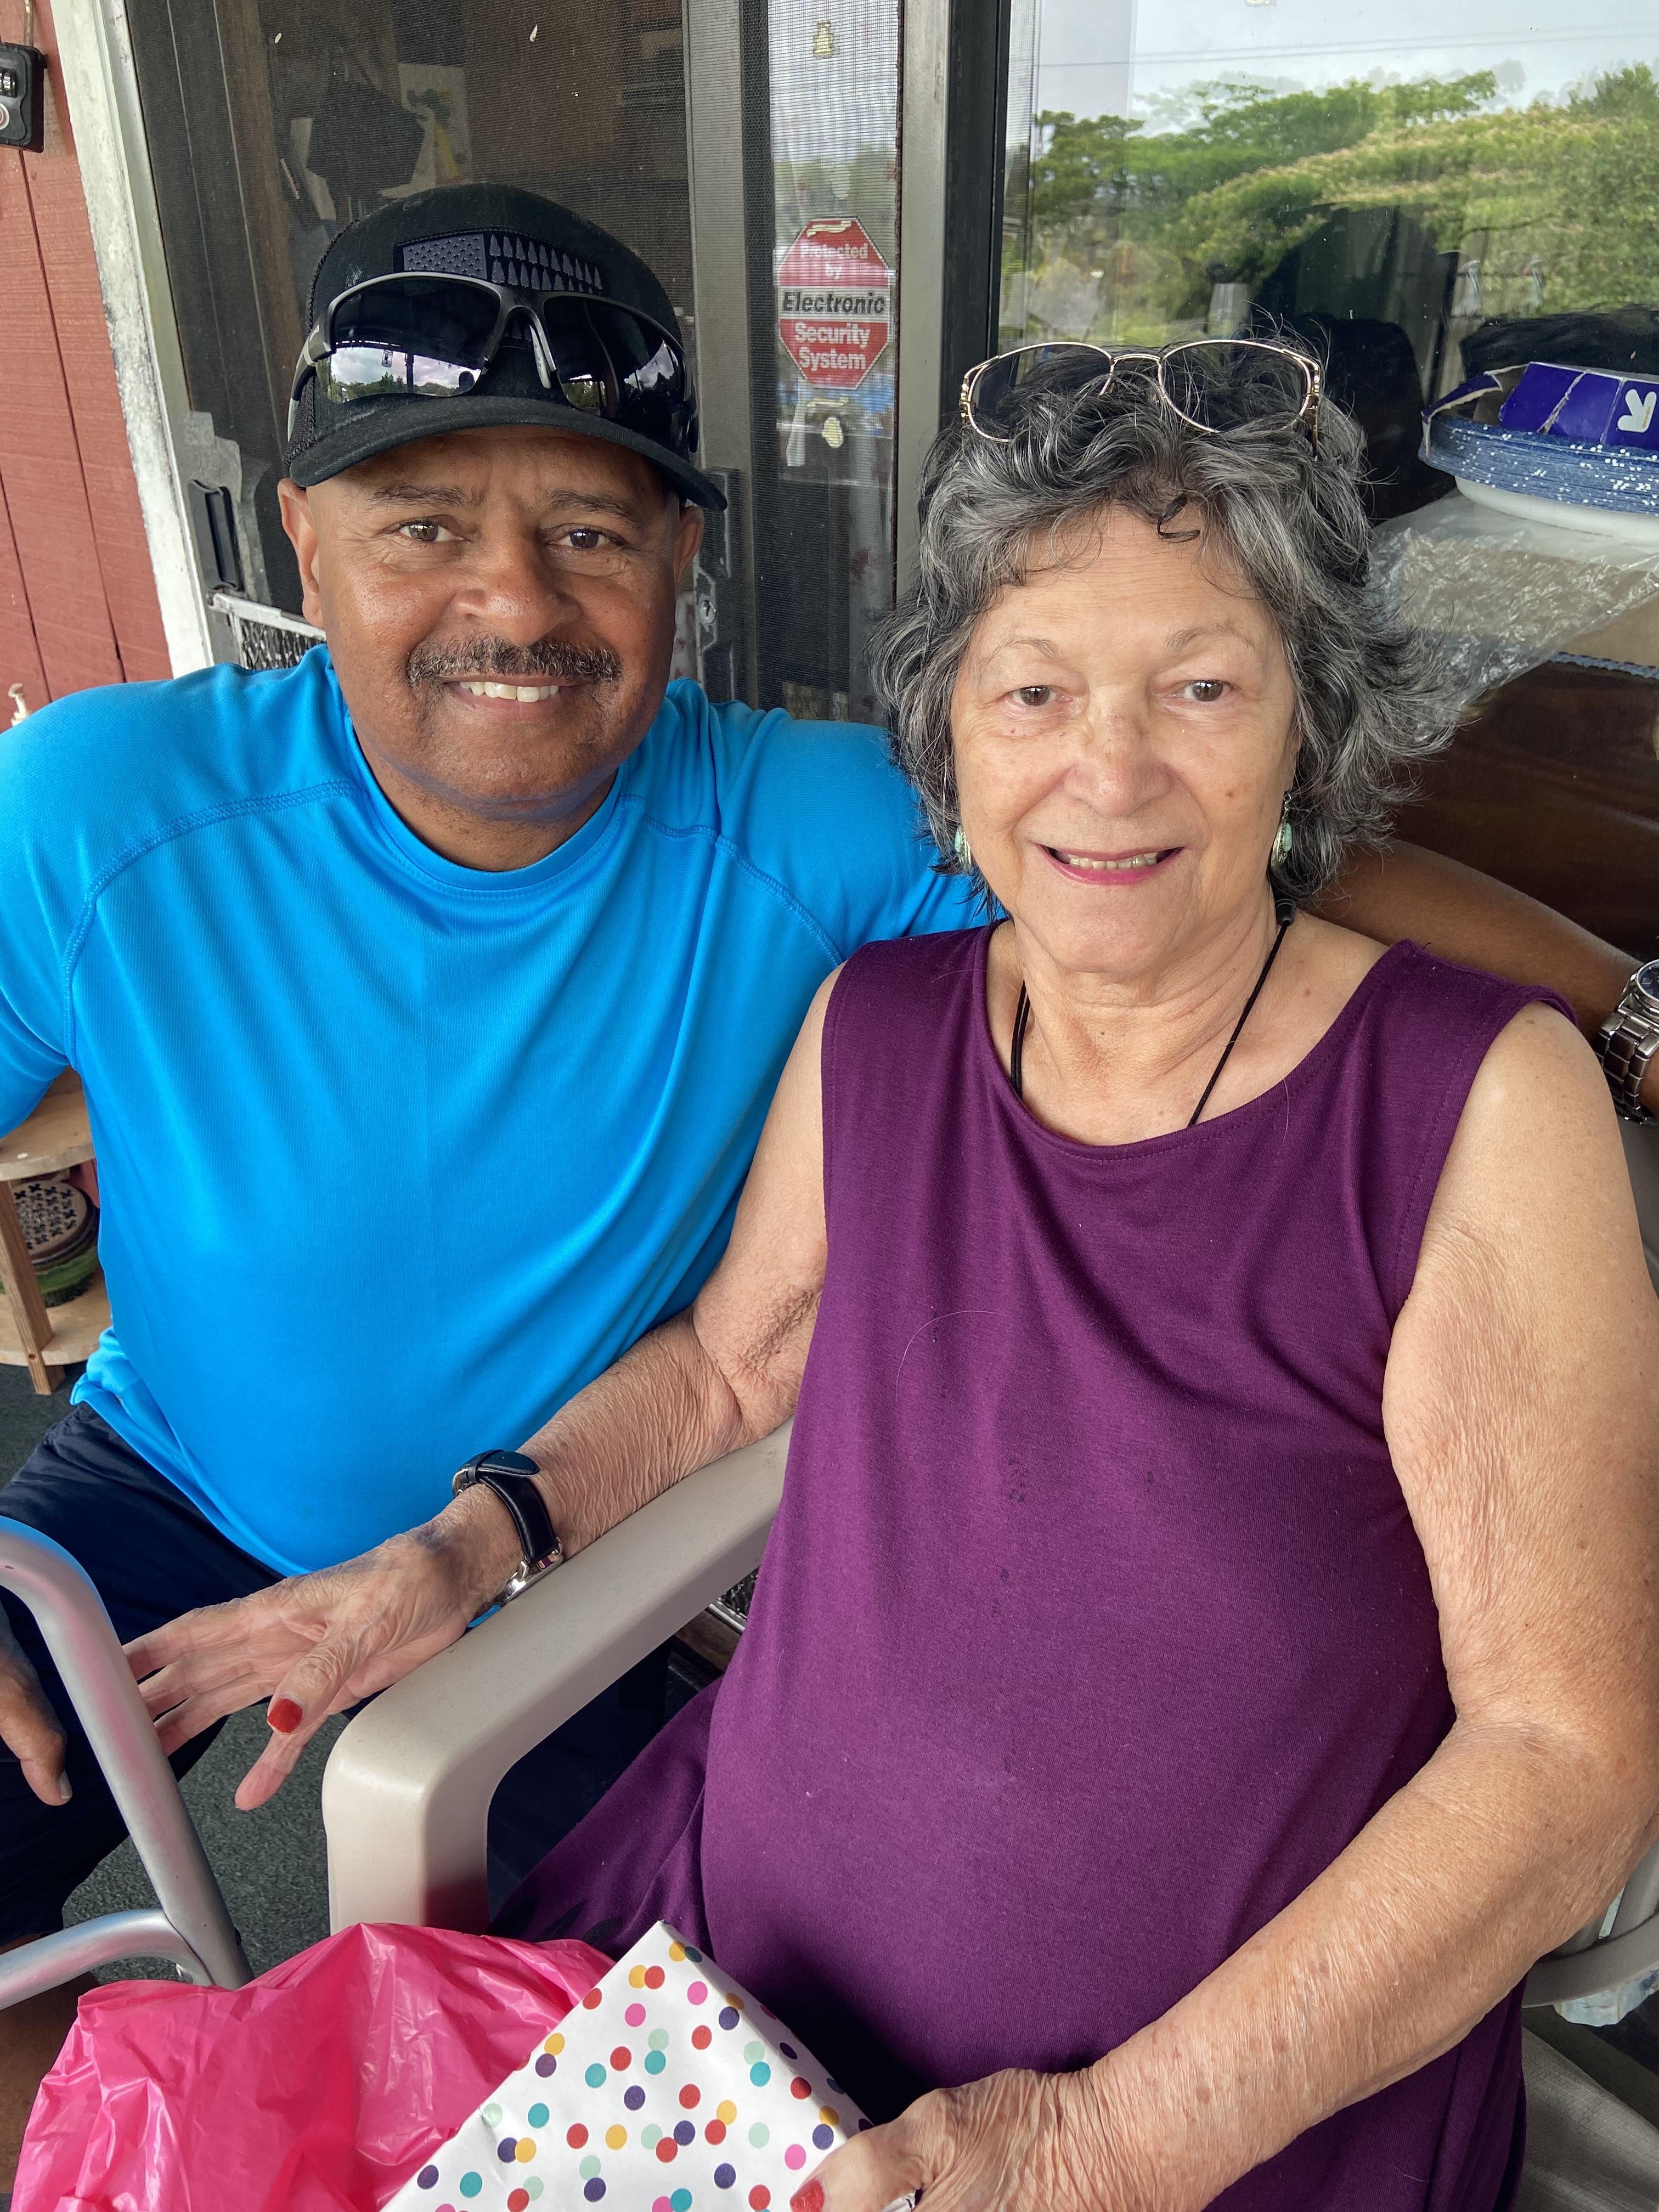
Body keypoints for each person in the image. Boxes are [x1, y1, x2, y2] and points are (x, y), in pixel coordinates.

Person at [0, 193, 1644, 2181]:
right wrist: (464, 1545)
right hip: (374, 1675)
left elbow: (1565, 1763)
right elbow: (724, 1367)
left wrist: (1632, 1010)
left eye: (1204, 689)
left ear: (1310, 721)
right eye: (1032, 692)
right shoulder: (876, 1011)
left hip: (1152, 2089)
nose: (1104, 770)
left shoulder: (1444, 1089)